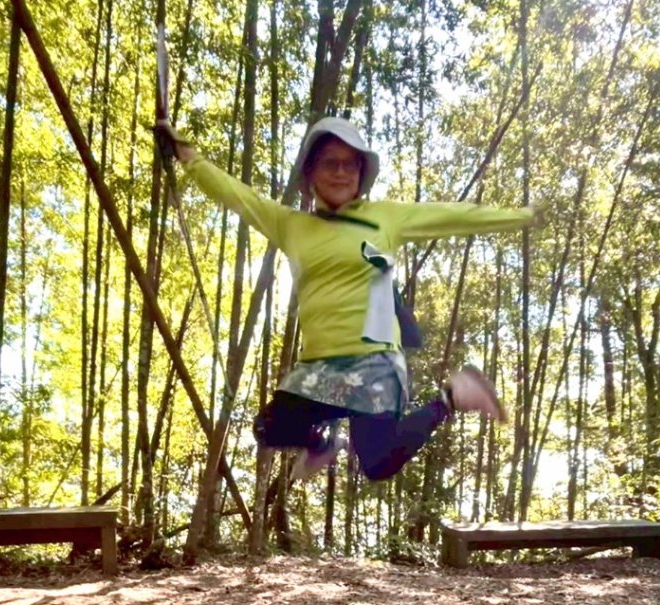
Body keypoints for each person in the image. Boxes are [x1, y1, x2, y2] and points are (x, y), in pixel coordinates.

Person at [157, 116, 540, 481]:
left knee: (377, 464)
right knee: (269, 428)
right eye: (330, 164)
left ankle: (452, 397)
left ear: (361, 174)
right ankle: (320, 444)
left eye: (350, 165)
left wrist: (520, 216)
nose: (341, 173)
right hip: (320, 366)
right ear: (310, 172)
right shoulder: (291, 224)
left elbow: (455, 216)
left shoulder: (384, 218)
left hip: (375, 361)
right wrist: (184, 153)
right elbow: (236, 195)